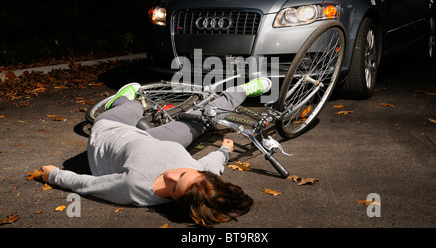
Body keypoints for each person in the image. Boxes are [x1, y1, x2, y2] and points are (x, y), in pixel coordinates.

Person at [41, 78, 272, 226]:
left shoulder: (135, 187)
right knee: (205, 119)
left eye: (172, 188)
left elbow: (88, 185)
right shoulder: (200, 177)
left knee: (132, 107)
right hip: (149, 140)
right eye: (182, 174)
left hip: (109, 133)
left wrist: (54, 175)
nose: (170, 176)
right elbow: (214, 165)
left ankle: (120, 99)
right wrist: (225, 149)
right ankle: (242, 90)